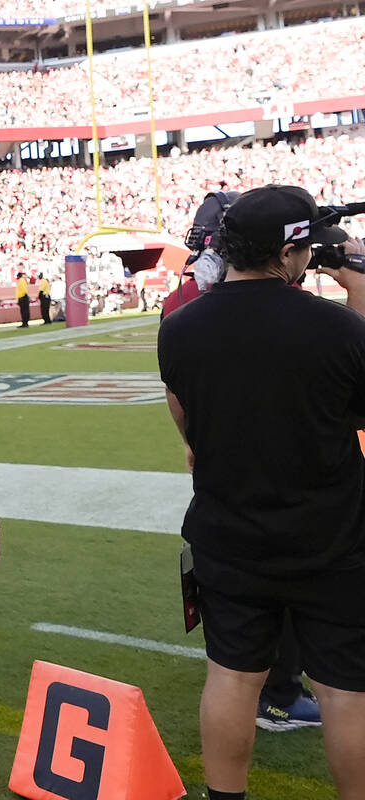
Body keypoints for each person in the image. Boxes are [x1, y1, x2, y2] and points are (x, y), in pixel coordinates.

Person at [157, 185, 365, 800]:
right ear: (288, 250)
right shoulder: (336, 327)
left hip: (228, 531)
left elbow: (187, 425)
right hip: (332, 537)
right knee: (344, 691)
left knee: (232, 677)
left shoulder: (180, 327)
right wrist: (358, 289)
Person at [162, 188, 319, 733]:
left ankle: (261, 681)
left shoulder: (182, 307)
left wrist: (195, 440)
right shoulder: (295, 307)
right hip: (293, 485)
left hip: (221, 481)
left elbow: (176, 394)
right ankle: (280, 690)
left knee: (233, 628)